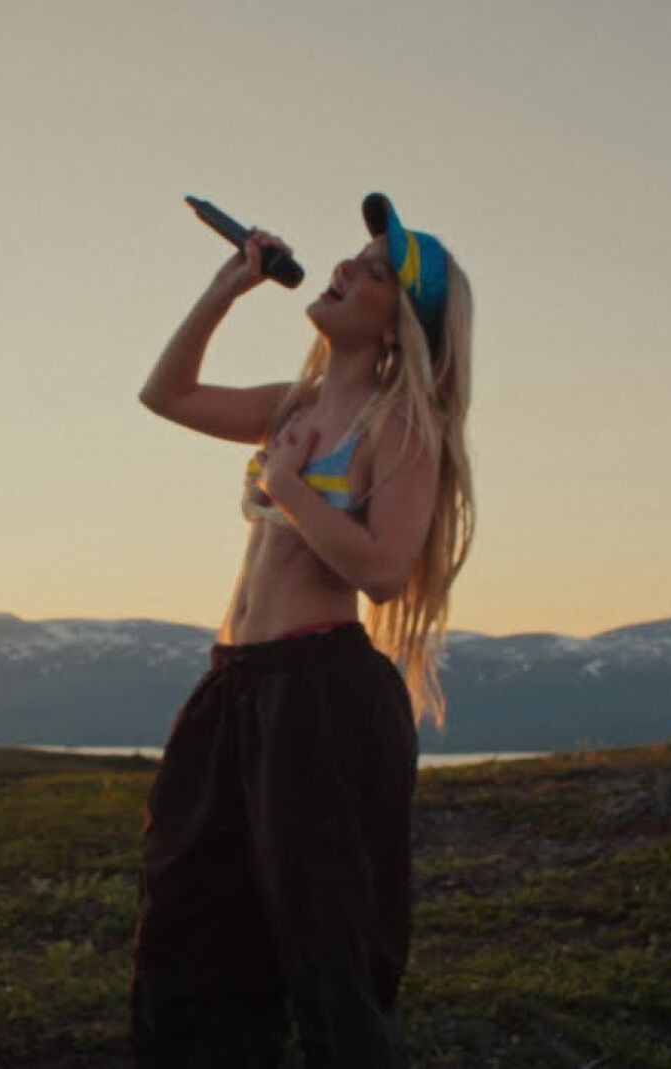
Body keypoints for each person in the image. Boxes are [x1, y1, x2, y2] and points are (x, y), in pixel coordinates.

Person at [130, 192, 475, 1068]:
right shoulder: (294, 405)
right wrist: (228, 286)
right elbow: (166, 394)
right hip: (236, 685)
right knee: (189, 910)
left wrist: (287, 490)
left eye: (375, 271)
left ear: (399, 325)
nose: (346, 266)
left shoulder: (403, 427)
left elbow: (384, 569)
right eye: (355, 254)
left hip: (321, 695)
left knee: (327, 935)